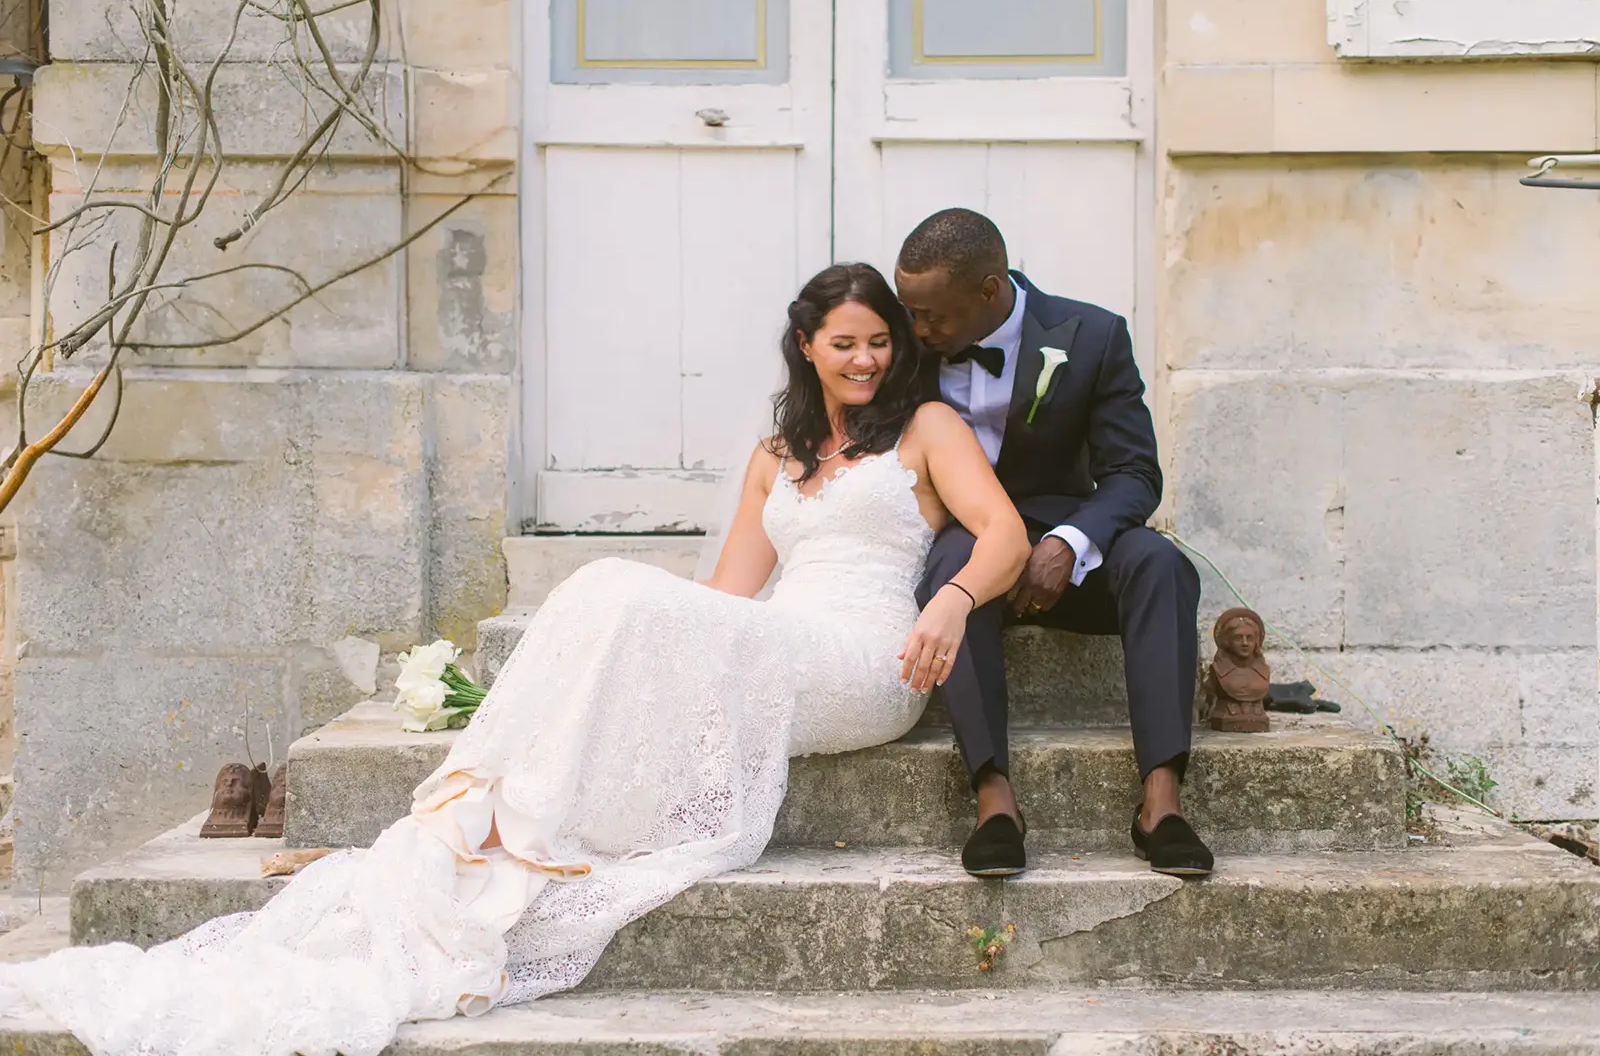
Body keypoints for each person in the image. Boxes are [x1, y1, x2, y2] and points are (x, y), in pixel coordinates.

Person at [0, 263, 1029, 1056]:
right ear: (805, 346)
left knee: (613, 587)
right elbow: (723, 600)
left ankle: (489, 809)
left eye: (879, 344)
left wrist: (947, 597)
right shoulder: (778, 454)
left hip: (868, 661)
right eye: (844, 343)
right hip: (774, 643)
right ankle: (482, 829)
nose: (865, 361)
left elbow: (1006, 536)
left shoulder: (927, 428)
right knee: (618, 594)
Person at [894, 208, 1211, 879]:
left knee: (1161, 563)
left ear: (989, 290)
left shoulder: (1092, 336)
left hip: (1071, 550)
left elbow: (1134, 472)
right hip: (971, 552)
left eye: (933, 318)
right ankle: (994, 798)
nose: (918, 332)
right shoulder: (905, 345)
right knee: (954, 560)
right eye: (910, 314)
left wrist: (1072, 539)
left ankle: (1163, 800)